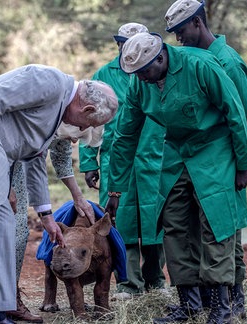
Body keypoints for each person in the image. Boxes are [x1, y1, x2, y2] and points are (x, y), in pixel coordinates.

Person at [0, 64, 117, 324]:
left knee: (5, 229)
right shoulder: (49, 82)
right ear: (88, 109)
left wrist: (47, 216)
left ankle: (2, 307)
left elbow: (34, 160)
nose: (80, 132)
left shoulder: (57, 111)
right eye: (89, 123)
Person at [104, 33, 247, 324]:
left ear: (160, 57)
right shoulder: (140, 82)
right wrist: (116, 191)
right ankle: (189, 303)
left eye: (144, 71)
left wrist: (242, 164)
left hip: (214, 149)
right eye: (135, 74)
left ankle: (221, 308)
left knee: (216, 223)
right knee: (174, 225)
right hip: (175, 151)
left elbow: (235, 112)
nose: (141, 79)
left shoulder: (200, 65)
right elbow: (125, 136)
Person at [0, 124, 103, 323]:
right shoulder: (49, 115)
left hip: (18, 179)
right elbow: (4, 142)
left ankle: (4, 301)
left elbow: (61, 160)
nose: (75, 142)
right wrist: (4, 186)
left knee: (14, 237)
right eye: (78, 136)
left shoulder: (65, 127)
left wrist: (78, 197)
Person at [164, 0, 247, 319]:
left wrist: (237, 154)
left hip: (224, 157)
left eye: (181, 31)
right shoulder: (195, 59)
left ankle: (234, 303)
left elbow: (243, 113)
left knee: (225, 230)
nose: (179, 40)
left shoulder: (226, 61)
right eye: (174, 35)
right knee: (202, 229)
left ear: (197, 23)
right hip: (198, 160)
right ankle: (212, 302)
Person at [79, 22, 168, 300]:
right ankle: (128, 283)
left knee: (157, 219)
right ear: (118, 44)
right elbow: (88, 120)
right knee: (120, 221)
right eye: (122, 42)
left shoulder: (157, 73)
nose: (125, 48)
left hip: (155, 157)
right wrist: (88, 162)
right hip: (116, 159)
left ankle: (155, 281)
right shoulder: (103, 75)